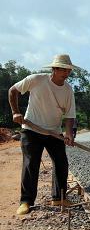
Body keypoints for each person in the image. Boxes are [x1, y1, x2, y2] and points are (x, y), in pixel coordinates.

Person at [8, 54, 77, 215]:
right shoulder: (36, 80)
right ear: (54, 69)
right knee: (31, 164)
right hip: (31, 130)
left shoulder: (68, 90)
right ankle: (26, 201)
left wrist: (68, 133)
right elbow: (13, 91)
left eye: (68, 71)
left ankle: (58, 197)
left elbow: (70, 115)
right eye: (63, 70)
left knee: (61, 162)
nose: (66, 74)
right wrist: (15, 112)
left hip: (54, 133)